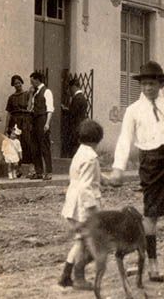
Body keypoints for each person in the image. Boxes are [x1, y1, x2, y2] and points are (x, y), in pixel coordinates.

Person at [109, 60, 164, 281]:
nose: (148, 88)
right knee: (151, 215)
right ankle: (153, 263)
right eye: (145, 84)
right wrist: (118, 168)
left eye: (152, 83)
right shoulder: (133, 111)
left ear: (160, 84)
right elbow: (125, 139)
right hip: (151, 162)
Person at [59, 119, 108, 290]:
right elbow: (87, 186)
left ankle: (66, 275)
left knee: (81, 240)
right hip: (82, 206)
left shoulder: (80, 153)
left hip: (72, 202)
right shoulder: (91, 158)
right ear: (98, 139)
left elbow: (84, 177)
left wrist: (104, 179)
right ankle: (77, 277)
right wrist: (93, 210)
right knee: (93, 242)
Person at [29, 71, 54, 180]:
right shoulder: (34, 92)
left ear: (37, 80)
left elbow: (50, 109)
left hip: (42, 119)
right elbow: (30, 107)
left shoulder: (47, 91)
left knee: (44, 146)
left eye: (32, 81)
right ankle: (38, 171)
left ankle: (48, 172)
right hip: (34, 120)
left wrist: (47, 123)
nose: (31, 83)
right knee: (35, 146)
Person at [6, 74, 33, 178]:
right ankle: (18, 169)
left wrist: (30, 95)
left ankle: (31, 168)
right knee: (15, 146)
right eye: (15, 83)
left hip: (25, 121)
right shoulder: (11, 98)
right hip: (15, 122)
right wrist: (6, 128)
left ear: (22, 82)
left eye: (19, 82)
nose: (17, 85)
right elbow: (8, 113)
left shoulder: (27, 94)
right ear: (13, 85)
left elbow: (30, 106)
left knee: (27, 143)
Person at [62, 77, 89, 157]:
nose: (69, 91)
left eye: (69, 88)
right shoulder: (82, 97)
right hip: (79, 127)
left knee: (74, 149)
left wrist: (65, 110)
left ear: (73, 87)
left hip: (75, 128)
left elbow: (72, 114)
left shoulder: (77, 98)